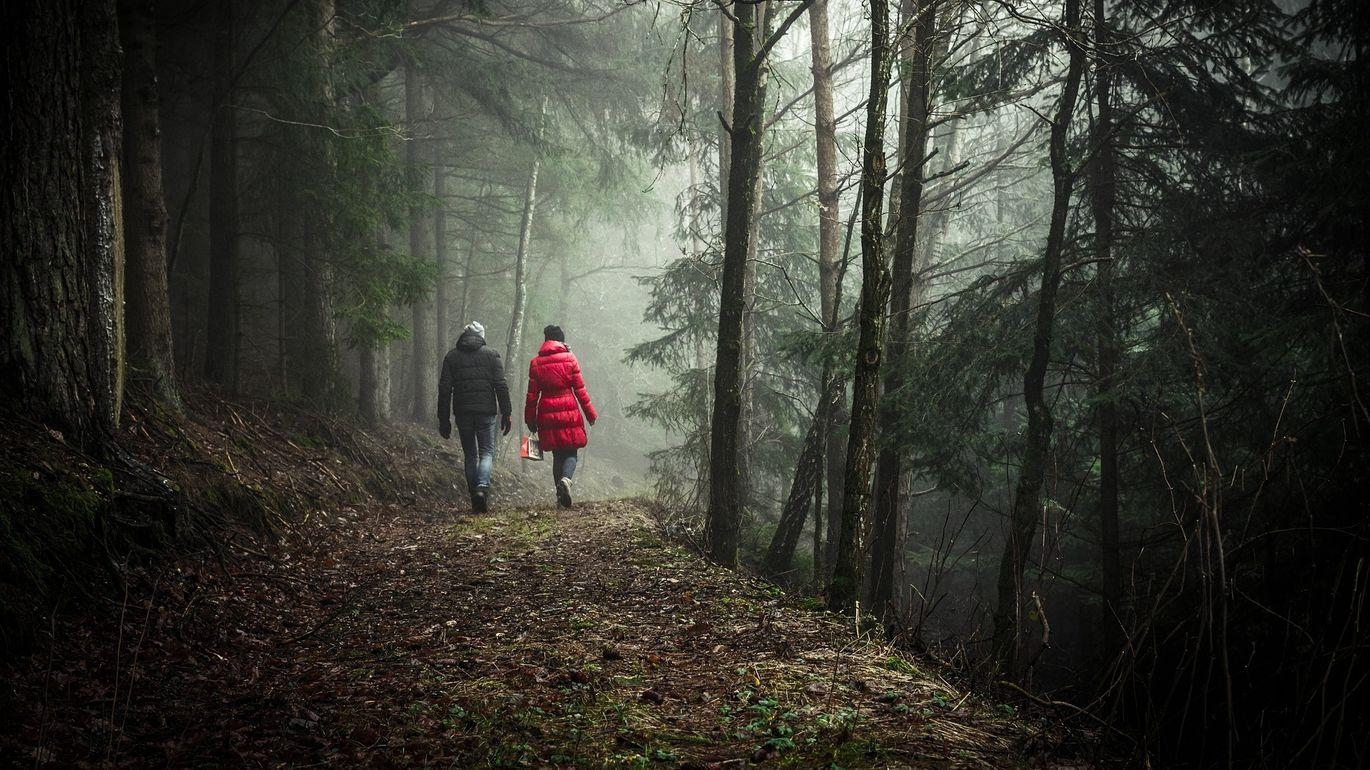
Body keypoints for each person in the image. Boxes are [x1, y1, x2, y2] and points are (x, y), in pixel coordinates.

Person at [437, 321, 512, 512]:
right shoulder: (491, 355)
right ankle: (482, 489)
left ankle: (474, 495)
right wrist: (507, 412)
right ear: (481, 336)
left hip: (463, 413)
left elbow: (444, 390)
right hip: (486, 412)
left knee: (470, 454)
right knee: (487, 452)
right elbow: (501, 386)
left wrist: (443, 419)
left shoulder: (451, 357)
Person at [525, 325, 597, 508]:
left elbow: (532, 394)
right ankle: (566, 480)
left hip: (546, 411)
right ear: (561, 340)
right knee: (571, 452)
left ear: (546, 340)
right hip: (568, 409)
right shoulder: (570, 358)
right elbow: (580, 390)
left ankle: (560, 498)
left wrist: (530, 419)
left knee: (558, 455)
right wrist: (590, 414)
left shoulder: (536, 362)